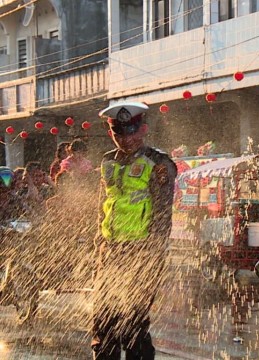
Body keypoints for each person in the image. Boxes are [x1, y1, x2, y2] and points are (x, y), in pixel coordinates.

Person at [92, 102, 177, 360]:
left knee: (132, 322)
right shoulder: (108, 161)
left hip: (141, 252)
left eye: (131, 132)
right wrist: (98, 243)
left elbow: (163, 214)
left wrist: (151, 256)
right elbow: (102, 206)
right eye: (119, 133)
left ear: (143, 130)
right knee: (103, 320)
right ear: (111, 133)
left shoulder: (159, 163)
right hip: (109, 251)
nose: (125, 139)